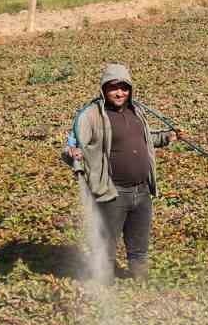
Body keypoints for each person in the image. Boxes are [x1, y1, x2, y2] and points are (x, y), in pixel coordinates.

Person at [64, 63, 181, 281]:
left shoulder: (136, 111)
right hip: (113, 193)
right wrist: (73, 153)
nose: (119, 93)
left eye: (124, 88)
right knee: (106, 245)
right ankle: (103, 288)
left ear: (130, 89)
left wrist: (166, 137)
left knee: (139, 246)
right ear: (104, 89)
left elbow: (144, 139)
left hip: (142, 191)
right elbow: (73, 145)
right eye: (113, 88)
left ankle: (140, 284)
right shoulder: (91, 115)